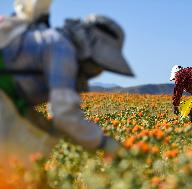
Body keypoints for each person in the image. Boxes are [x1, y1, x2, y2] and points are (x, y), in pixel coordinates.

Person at [0, 0, 134, 159]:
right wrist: (103, 143)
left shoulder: (55, 42)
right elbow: (63, 114)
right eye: (98, 64)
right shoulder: (62, 49)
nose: (97, 72)